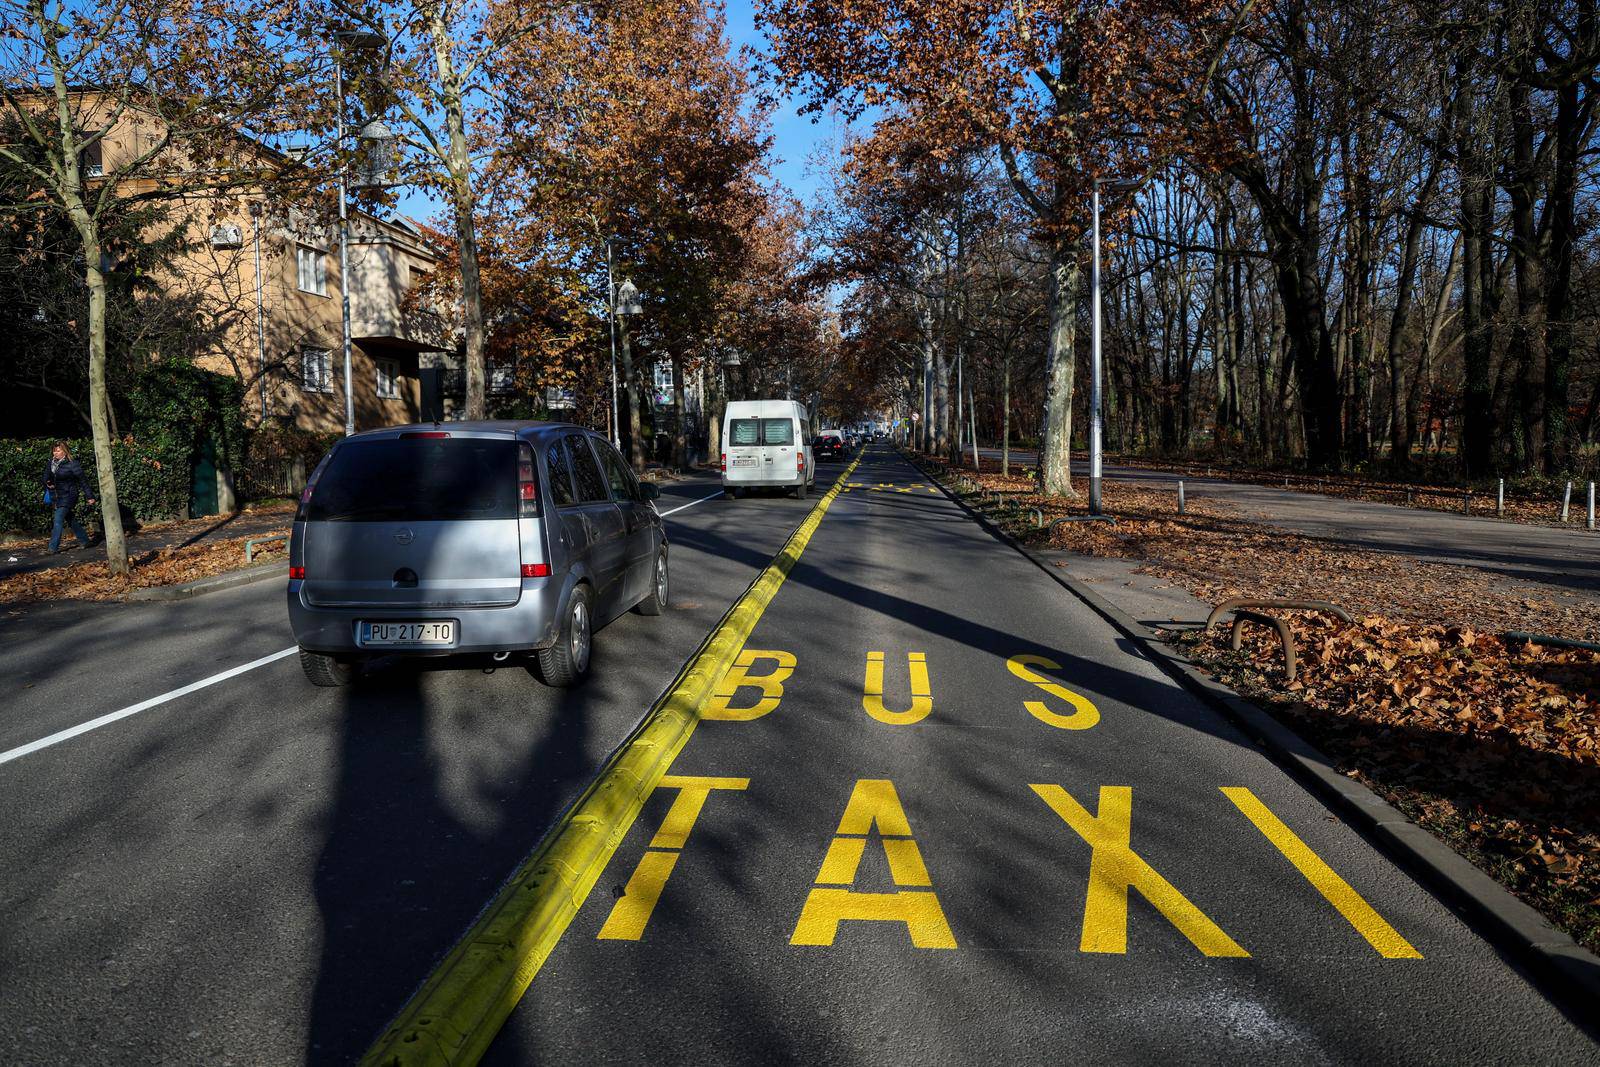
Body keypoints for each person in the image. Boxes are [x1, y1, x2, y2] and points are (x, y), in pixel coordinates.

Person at [43, 441, 94, 553]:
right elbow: (45, 476)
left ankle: (52, 548)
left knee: (58, 519)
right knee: (70, 519)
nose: (55, 453)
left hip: (69, 495)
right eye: (54, 450)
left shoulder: (72, 464)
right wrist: (47, 482)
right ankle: (85, 540)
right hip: (56, 496)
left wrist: (89, 496)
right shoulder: (50, 463)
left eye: (58, 450)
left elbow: (83, 481)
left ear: (65, 452)